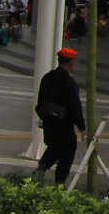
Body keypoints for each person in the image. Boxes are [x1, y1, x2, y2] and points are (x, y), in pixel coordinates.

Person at [35, 47, 87, 185]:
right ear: (70, 63)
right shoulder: (70, 83)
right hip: (64, 124)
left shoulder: (47, 77)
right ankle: (60, 180)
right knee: (68, 149)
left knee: (54, 147)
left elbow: (40, 102)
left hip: (48, 122)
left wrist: (43, 116)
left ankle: (42, 167)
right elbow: (75, 106)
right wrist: (82, 127)